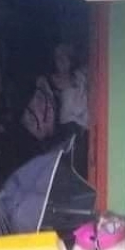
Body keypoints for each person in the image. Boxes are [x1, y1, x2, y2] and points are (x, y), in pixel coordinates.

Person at [49, 42, 89, 176]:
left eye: (65, 56)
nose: (61, 59)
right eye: (57, 56)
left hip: (85, 134)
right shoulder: (51, 82)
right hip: (63, 135)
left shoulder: (82, 77)